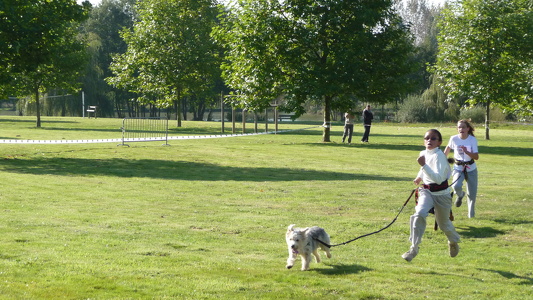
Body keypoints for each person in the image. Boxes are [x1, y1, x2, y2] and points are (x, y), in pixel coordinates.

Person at [402, 129, 460, 262]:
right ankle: (413, 248)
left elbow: (439, 179)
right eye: (427, 138)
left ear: (439, 142)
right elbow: (424, 169)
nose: (429, 140)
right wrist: (419, 177)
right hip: (426, 191)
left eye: (433, 138)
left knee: (444, 224)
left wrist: (423, 166)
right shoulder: (423, 153)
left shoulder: (439, 156)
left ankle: (453, 241)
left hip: (442, 194)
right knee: (419, 214)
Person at [444, 120, 479, 218]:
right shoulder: (454, 139)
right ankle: (460, 195)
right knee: (455, 186)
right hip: (458, 167)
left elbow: (476, 157)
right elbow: (447, 149)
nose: (461, 129)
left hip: (471, 168)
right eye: (459, 127)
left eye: (463, 127)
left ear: (468, 129)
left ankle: (471, 216)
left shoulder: (472, 140)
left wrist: (467, 152)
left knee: (472, 193)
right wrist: (442, 159)